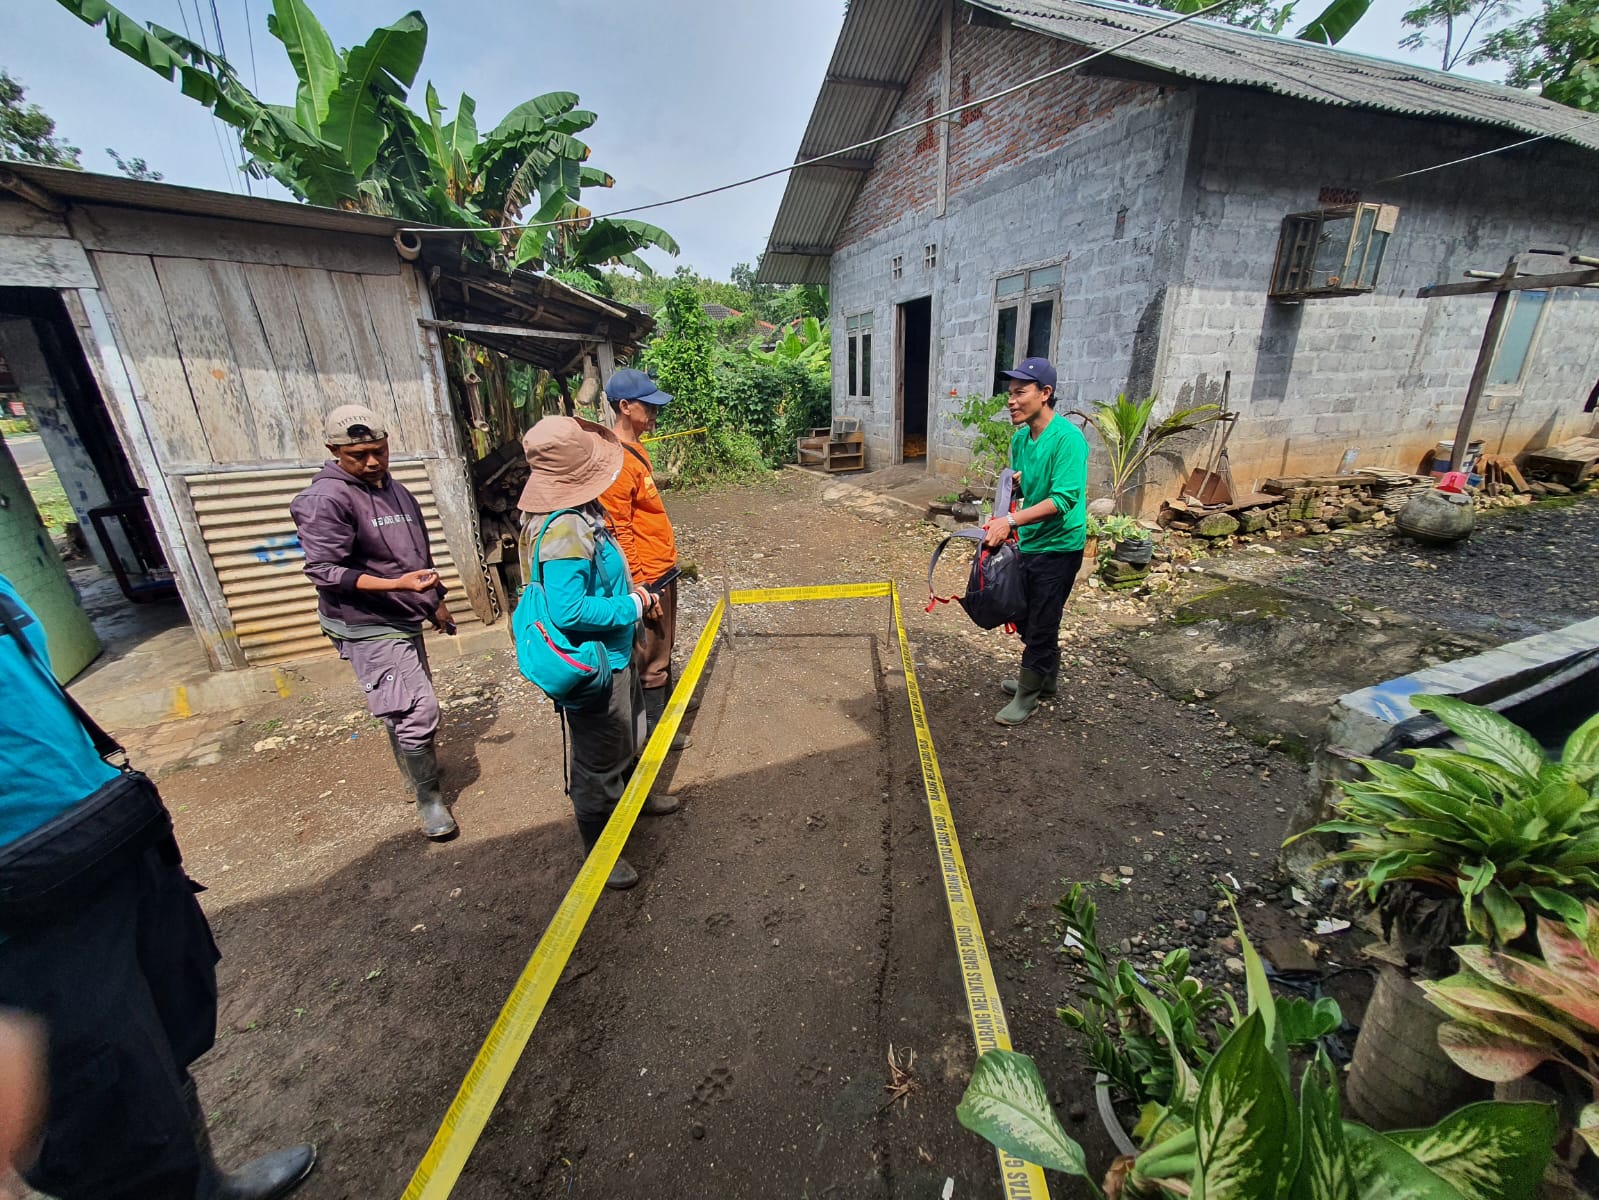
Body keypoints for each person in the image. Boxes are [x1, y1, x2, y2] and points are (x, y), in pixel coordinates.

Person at [0, 574, 316, 1200]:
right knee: (101, 1107)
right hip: (23, 902)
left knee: (166, 1033)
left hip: (109, 833)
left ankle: (202, 1183)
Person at [289, 405, 456, 839]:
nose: (372, 461)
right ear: (334, 451)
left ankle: (411, 775)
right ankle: (429, 799)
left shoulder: (396, 491)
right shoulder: (324, 500)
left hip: (404, 614)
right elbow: (323, 570)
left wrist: (433, 599)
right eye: (359, 454)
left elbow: (417, 556)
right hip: (365, 621)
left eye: (379, 450)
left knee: (400, 701)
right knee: (419, 707)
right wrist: (394, 584)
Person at [517, 416, 668, 890]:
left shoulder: (584, 513)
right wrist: (631, 604)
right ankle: (599, 850)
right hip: (595, 665)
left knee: (628, 735)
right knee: (599, 757)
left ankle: (631, 802)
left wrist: (634, 590)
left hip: (616, 654)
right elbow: (570, 610)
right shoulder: (565, 530)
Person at [980, 358, 1089, 726]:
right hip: (1032, 540)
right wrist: (1010, 493)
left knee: (1042, 620)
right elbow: (1029, 486)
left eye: (1020, 393)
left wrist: (1009, 521)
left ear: (1045, 393)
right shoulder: (1022, 438)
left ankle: (1029, 694)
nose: (1011, 401)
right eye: (1009, 394)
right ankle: (1046, 679)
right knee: (1029, 614)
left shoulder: (1069, 439)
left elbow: (1063, 500)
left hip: (1060, 546)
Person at [596, 368, 693, 758]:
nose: (654, 414)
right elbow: (617, 529)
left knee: (662, 654)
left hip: (661, 570)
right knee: (651, 662)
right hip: (648, 580)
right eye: (648, 406)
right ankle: (652, 743)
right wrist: (641, 587)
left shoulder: (637, 450)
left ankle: (661, 726)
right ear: (624, 406)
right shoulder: (616, 462)